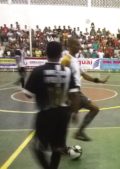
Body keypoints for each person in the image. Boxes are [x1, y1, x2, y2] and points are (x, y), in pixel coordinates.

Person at [23, 41, 79, 169]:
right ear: (60, 54)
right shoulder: (67, 71)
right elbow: (74, 94)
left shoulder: (38, 71)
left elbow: (28, 94)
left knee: (36, 147)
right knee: (57, 147)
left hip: (46, 114)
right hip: (64, 115)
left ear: (46, 53)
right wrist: (75, 113)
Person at [61, 38, 109, 141]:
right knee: (63, 121)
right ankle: (59, 143)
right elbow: (62, 77)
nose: (80, 47)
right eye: (77, 45)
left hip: (77, 93)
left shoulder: (75, 60)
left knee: (94, 109)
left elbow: (84, 75)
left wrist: (99, 81)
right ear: (71, 46)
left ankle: (79, 132)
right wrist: (69, 97)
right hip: (71, 94)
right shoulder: (66, 59)